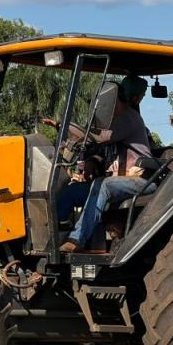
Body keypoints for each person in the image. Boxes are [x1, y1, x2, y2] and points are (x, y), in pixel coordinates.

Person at [60, 75, 156, 253]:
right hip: (117, 182)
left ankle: (77, 239)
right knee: (72, 191)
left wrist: (66, 126)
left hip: (140, 180)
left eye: (112, 102)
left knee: (102, 184)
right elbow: (98, 150)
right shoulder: (112, 122)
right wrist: (90, 160)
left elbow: (98, 138)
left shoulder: (128, 118)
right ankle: (56, 234)